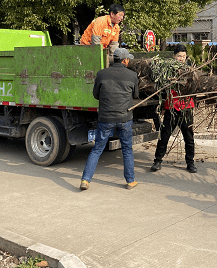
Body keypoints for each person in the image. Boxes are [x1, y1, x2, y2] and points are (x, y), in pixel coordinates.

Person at [80, 48, 139, 190]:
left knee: (97, 149)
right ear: (124, 60)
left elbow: (96, 95)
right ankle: (130, 181)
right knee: (127, 149)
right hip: (125, 118)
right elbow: (136, 95)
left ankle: (85, 180)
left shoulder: (101, 74)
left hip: (105, 118)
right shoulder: (132, 75)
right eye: (128, 59)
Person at [150, 44, 197, 174]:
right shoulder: (167, 70)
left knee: (189, 137)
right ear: (174, 56)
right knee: (164, 135)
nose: (181, 59)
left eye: (184, 56)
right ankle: (158, 160)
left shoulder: (191, 70)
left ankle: (190, 162)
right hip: (172, 108)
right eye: (179, 56)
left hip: (187, 108)